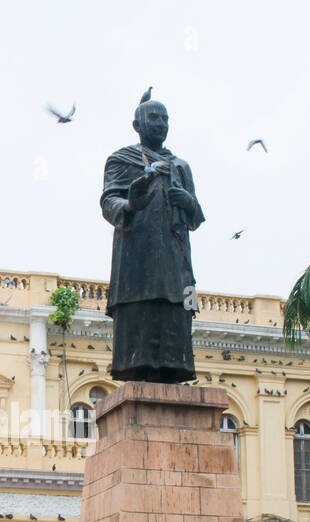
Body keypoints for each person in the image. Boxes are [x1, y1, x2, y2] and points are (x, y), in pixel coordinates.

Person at [100, 98, 205, 383]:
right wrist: (131, 204)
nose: (161, 124)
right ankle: (140, 371)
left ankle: (174, 373)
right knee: (140, 312)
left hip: (177, 260)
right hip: (137, 260)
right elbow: (108, 201)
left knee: (179, 310)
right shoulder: (121, 159)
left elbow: (196, 219)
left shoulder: (181, 166)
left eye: (165, 119)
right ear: (137, 125)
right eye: (154, 118)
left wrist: (187, 201)